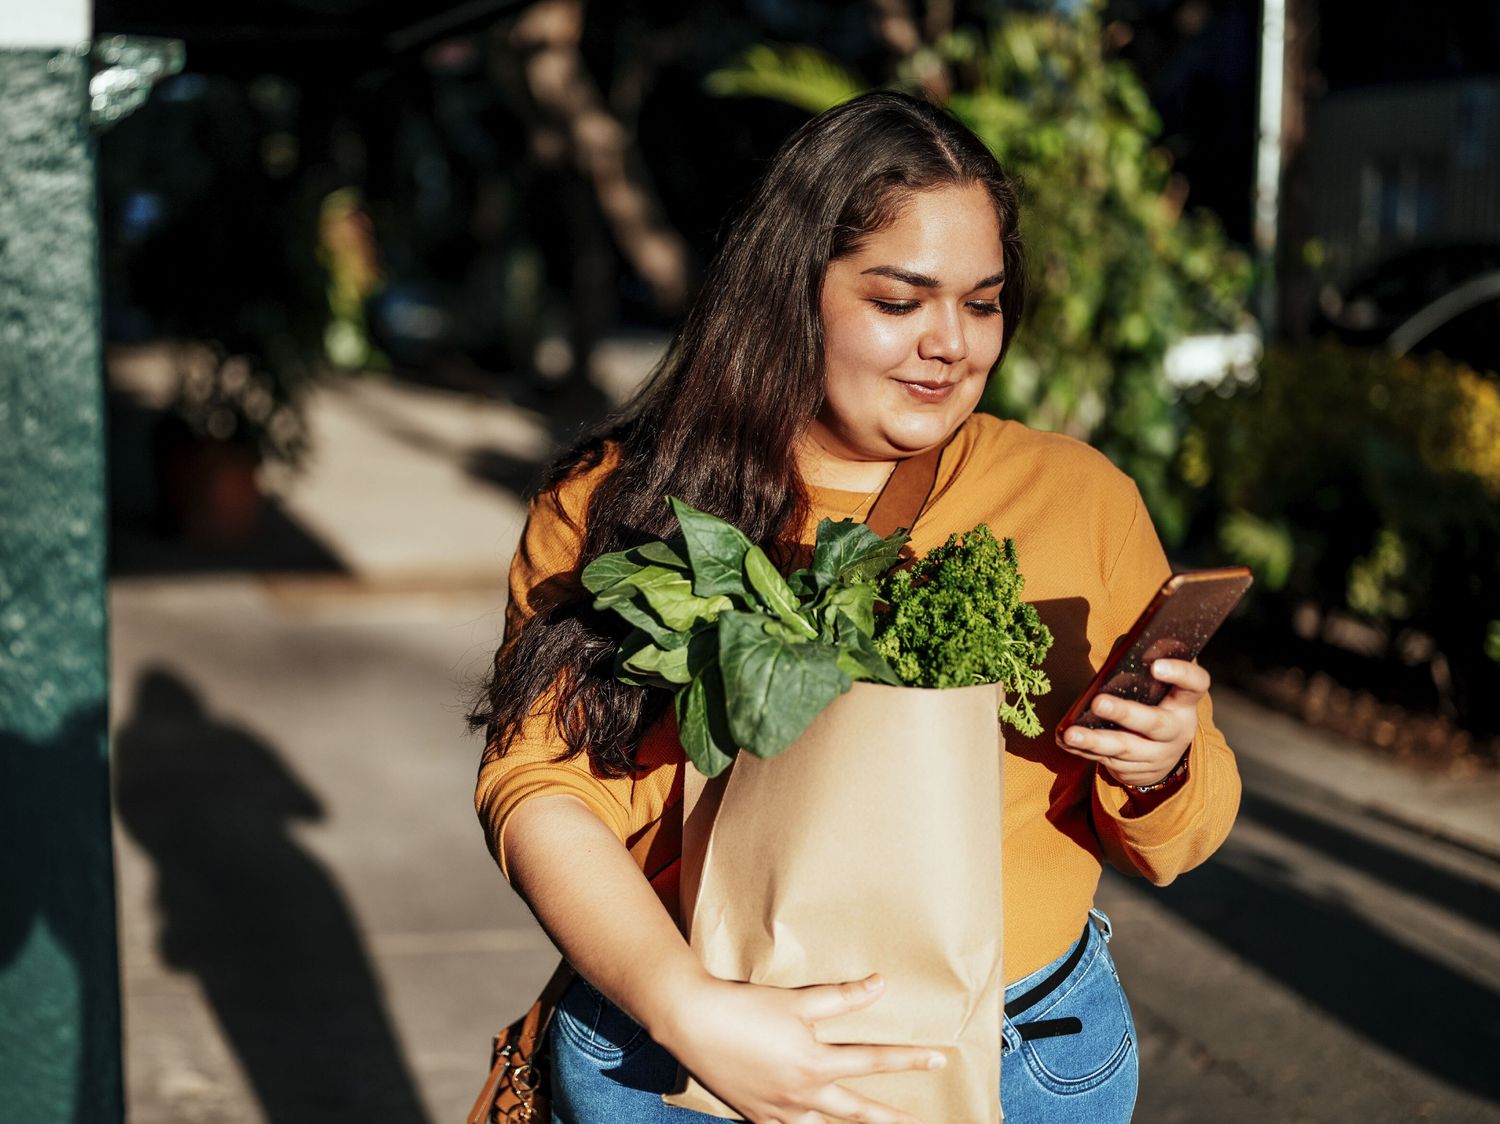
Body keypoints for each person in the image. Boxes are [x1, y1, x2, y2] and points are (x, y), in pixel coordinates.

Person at [471, 90, 1241, 1124]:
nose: (951, 344)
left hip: (1021, 1056)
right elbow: (541, 791)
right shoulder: (623, 508)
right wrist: (688, 1009)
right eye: (898, 300)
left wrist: (1162, 763)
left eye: (982, 302)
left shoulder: (1076, 497)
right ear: (795, 292)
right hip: (681, 1054)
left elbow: (1178, 837)